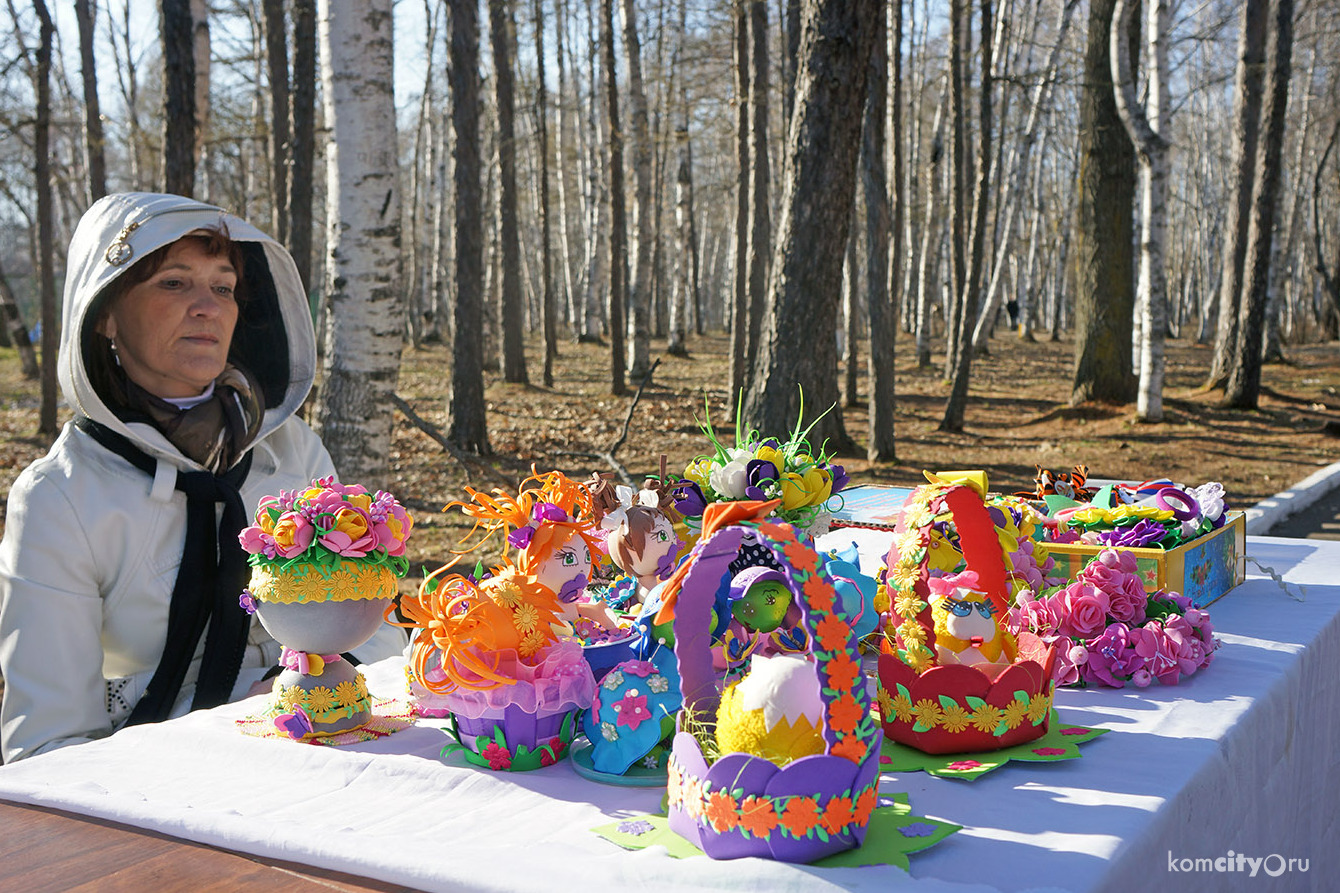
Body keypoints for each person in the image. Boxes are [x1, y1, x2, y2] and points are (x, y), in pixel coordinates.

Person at [0, 192, 404, 763]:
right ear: (105, 314)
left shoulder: (292, 452)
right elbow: (47, 745)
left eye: (222, 287)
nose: (207, 307)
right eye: (173, 283)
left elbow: (374, 632)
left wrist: (328, 698)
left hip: (330, 748)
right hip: (156, 791)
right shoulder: (61, 497)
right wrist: (241, 725)